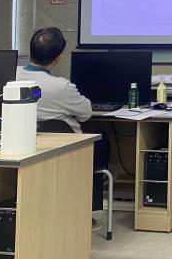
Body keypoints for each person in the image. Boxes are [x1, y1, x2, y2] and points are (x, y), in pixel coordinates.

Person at [17, 27, 109, 212]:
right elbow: (86, 113)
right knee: (100, 136)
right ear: (58, 58)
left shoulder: (11, 76)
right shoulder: (61, 87)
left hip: (23, 146)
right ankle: (90, 207)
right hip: (64, 149)